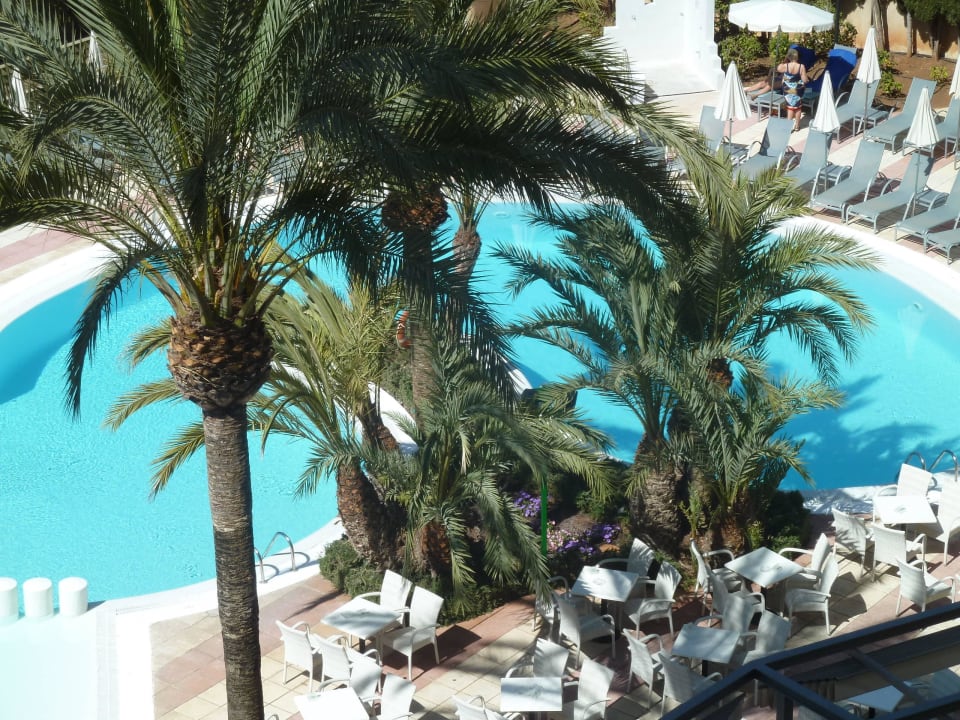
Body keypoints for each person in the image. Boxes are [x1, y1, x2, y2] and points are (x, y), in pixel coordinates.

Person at [778, 47, 809, 131]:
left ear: (789, 56)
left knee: (790, 107)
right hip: (797, 90)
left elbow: (778, 68)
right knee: (797, 107)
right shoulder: (801, 67)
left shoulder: (785, 66)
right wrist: (806, 80)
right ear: (797, 56)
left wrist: (785, 60)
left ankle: (788, 127)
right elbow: (804, 80)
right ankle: (797, 126)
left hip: (787, 89)